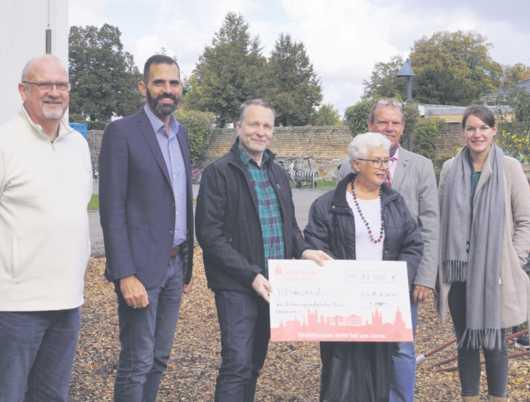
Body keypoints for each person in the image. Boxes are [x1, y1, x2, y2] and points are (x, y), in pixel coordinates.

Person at [195, 99, 330, 402]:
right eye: (254, 124)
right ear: (238, 127)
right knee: (237, 364)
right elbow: (209, 235)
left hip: (272, 283)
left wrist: (304, 251)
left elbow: (289, 226)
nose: (260, 131)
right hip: (237, 284)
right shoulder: (219, 172)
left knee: (254, 363)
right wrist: (250, 275)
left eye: (266, 126)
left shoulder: (277, 173)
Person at [99, 54, 194, 402]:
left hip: (174, 265)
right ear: (143, 86)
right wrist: (124, 274)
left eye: (174, 83)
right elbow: (112, 209)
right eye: (159, 82)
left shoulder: (181, 134)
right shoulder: (122, 133)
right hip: (139, 270)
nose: (167, 90)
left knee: (159, 358)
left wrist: (186, 267)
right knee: (137, 361)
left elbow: (180, 200)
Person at [0, 55, 92, 401]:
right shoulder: (5, 143)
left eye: (61, 84)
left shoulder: (77, 145)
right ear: (23, 91)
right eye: (45, 85)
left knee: (51, 396)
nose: (55, 92)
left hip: (67, 302)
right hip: (14, 306)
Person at [305, 132, 423, 402]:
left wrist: (397, 280)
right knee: (341, 375)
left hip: (382, 304)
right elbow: (315, 244)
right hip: (342, 305)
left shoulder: (395, 203)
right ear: (357, 164)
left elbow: (413, 244)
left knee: (379, 373)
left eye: (386, 160)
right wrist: (343, 280)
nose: (383, 166)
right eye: (376, 161)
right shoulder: (327, 205)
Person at [338, 99, 438, 402]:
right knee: (358, 342)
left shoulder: (420, 166)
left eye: (395, 123)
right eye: (382, 122)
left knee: (401, 346)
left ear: (403, 128)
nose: (389, 128)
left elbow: (430, 224)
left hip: (403, 273)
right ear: (371, 125)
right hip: (359, 273)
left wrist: (425, 277)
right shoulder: (349, 165)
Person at [437, 105, 530, 402]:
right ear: (463, 132)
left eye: (483, 128)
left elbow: (526, 220)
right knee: (466, 341)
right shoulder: (450, 169)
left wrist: (513, 259)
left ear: (494, 131)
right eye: (471, 128)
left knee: (494, 342)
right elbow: (441, 219)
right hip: (459, 269)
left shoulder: (510, 168)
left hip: (495, 271)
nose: (477, 134)